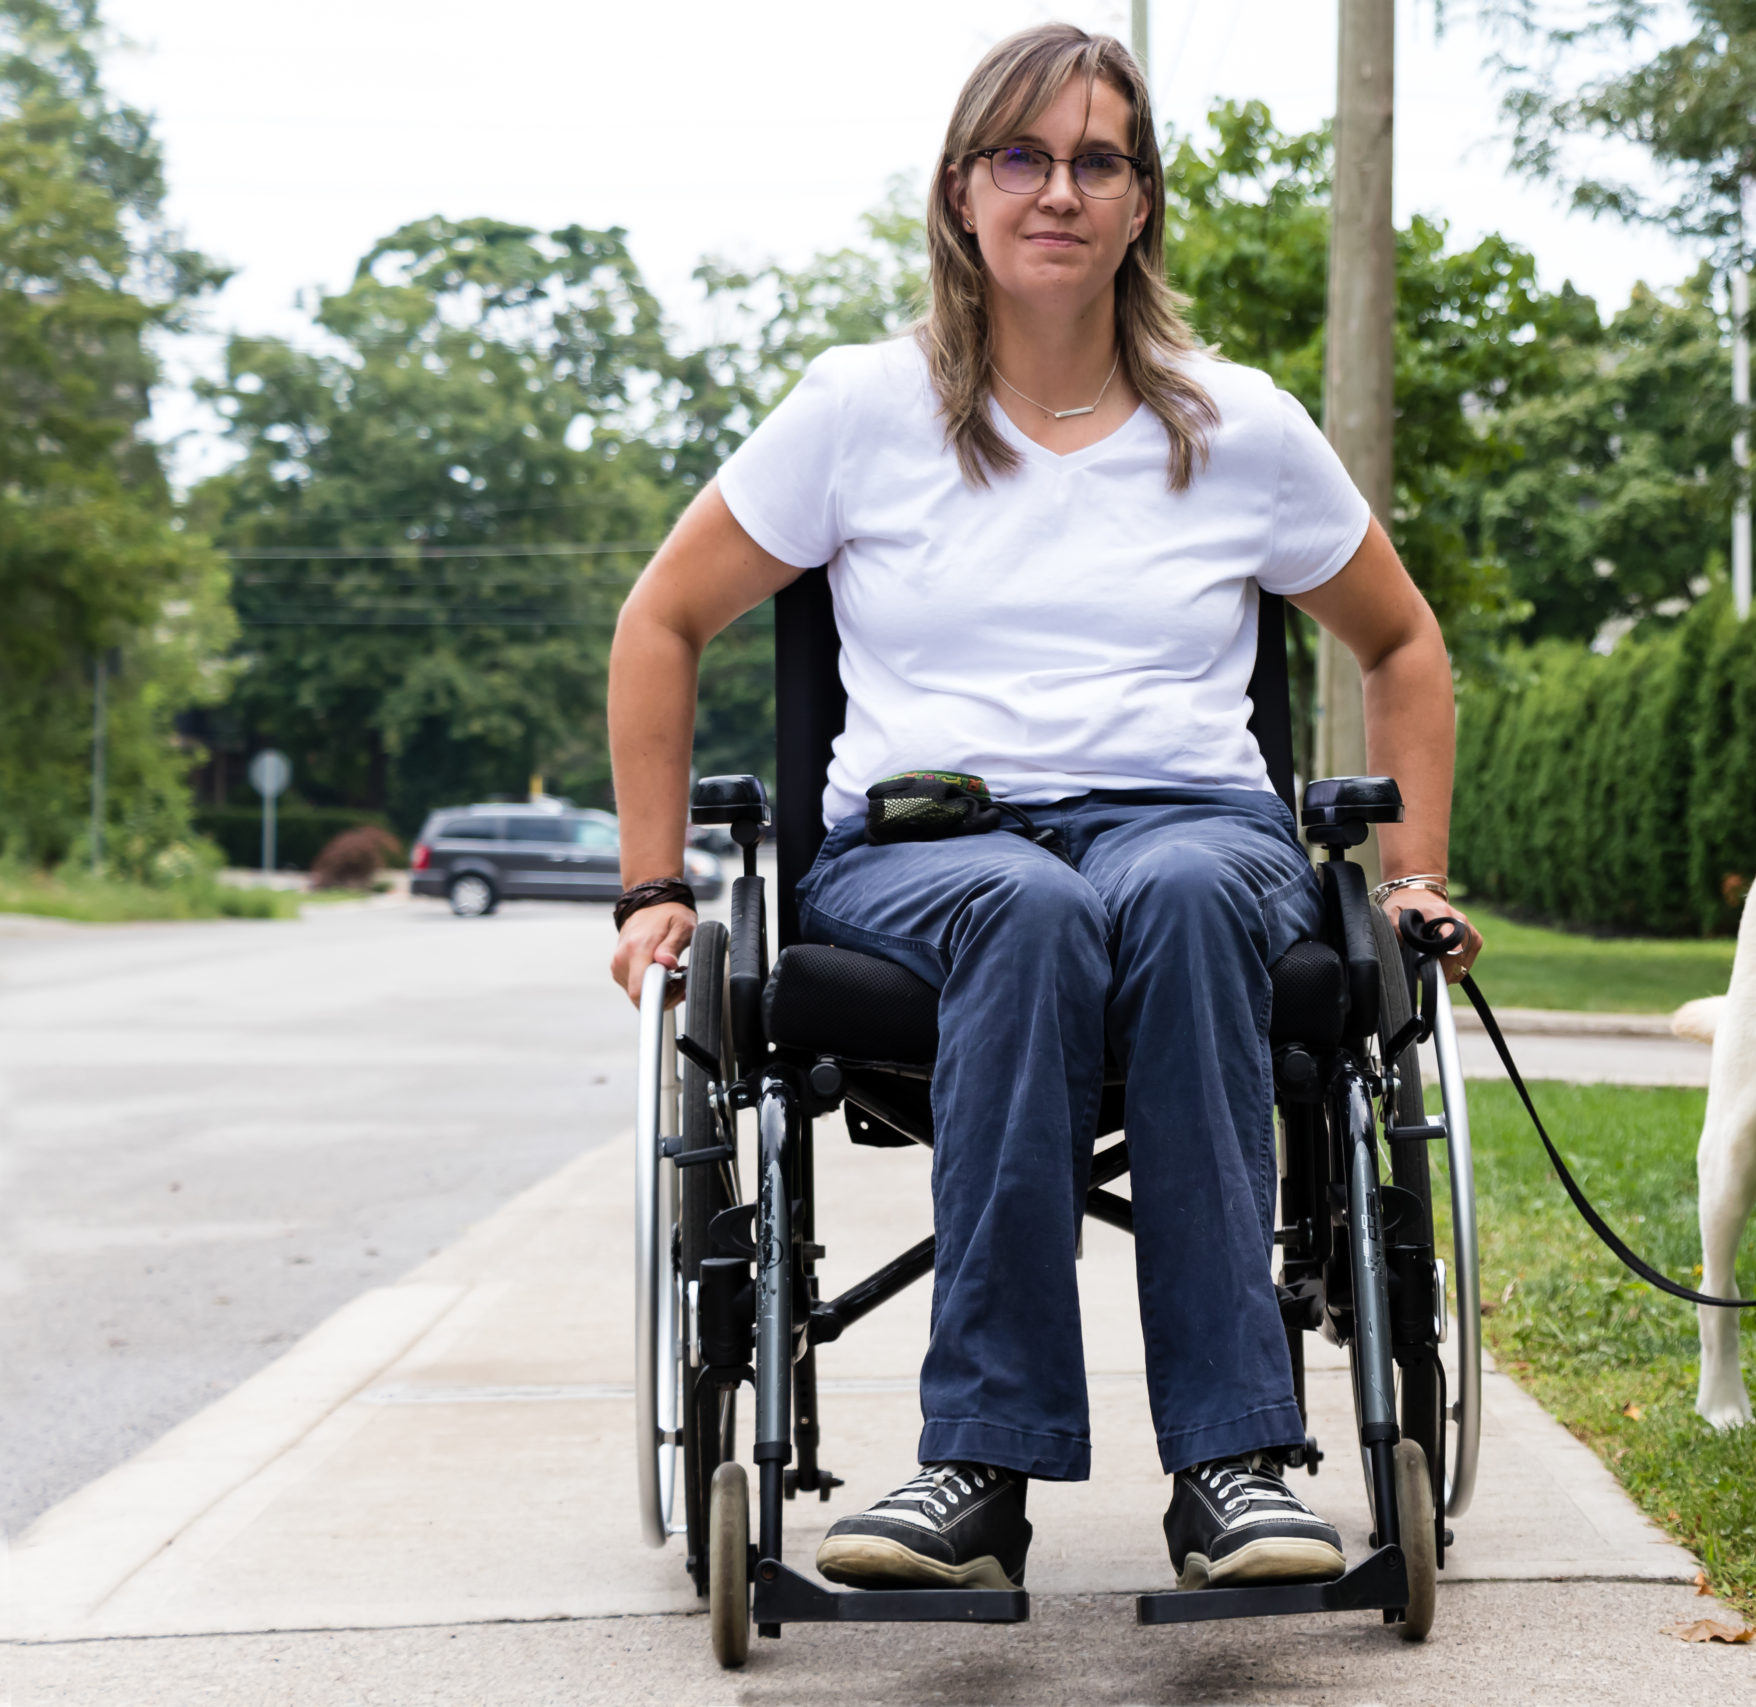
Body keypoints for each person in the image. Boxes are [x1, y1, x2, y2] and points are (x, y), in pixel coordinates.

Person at [606, 22, 1479, 1596]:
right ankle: (974, 1471)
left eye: (1097, 161)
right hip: (929, 851)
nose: (1058, 191)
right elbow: (659, 620)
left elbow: (1404, 643)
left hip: (1187, 834)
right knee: (1030, 903)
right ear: (960, 193)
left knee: (1185, 890)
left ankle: (1233, 1469)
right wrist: (652, 885)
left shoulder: (1238, 425)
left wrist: (1412, 874)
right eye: (1024, 157)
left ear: (1143, 202)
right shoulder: (858, 409)